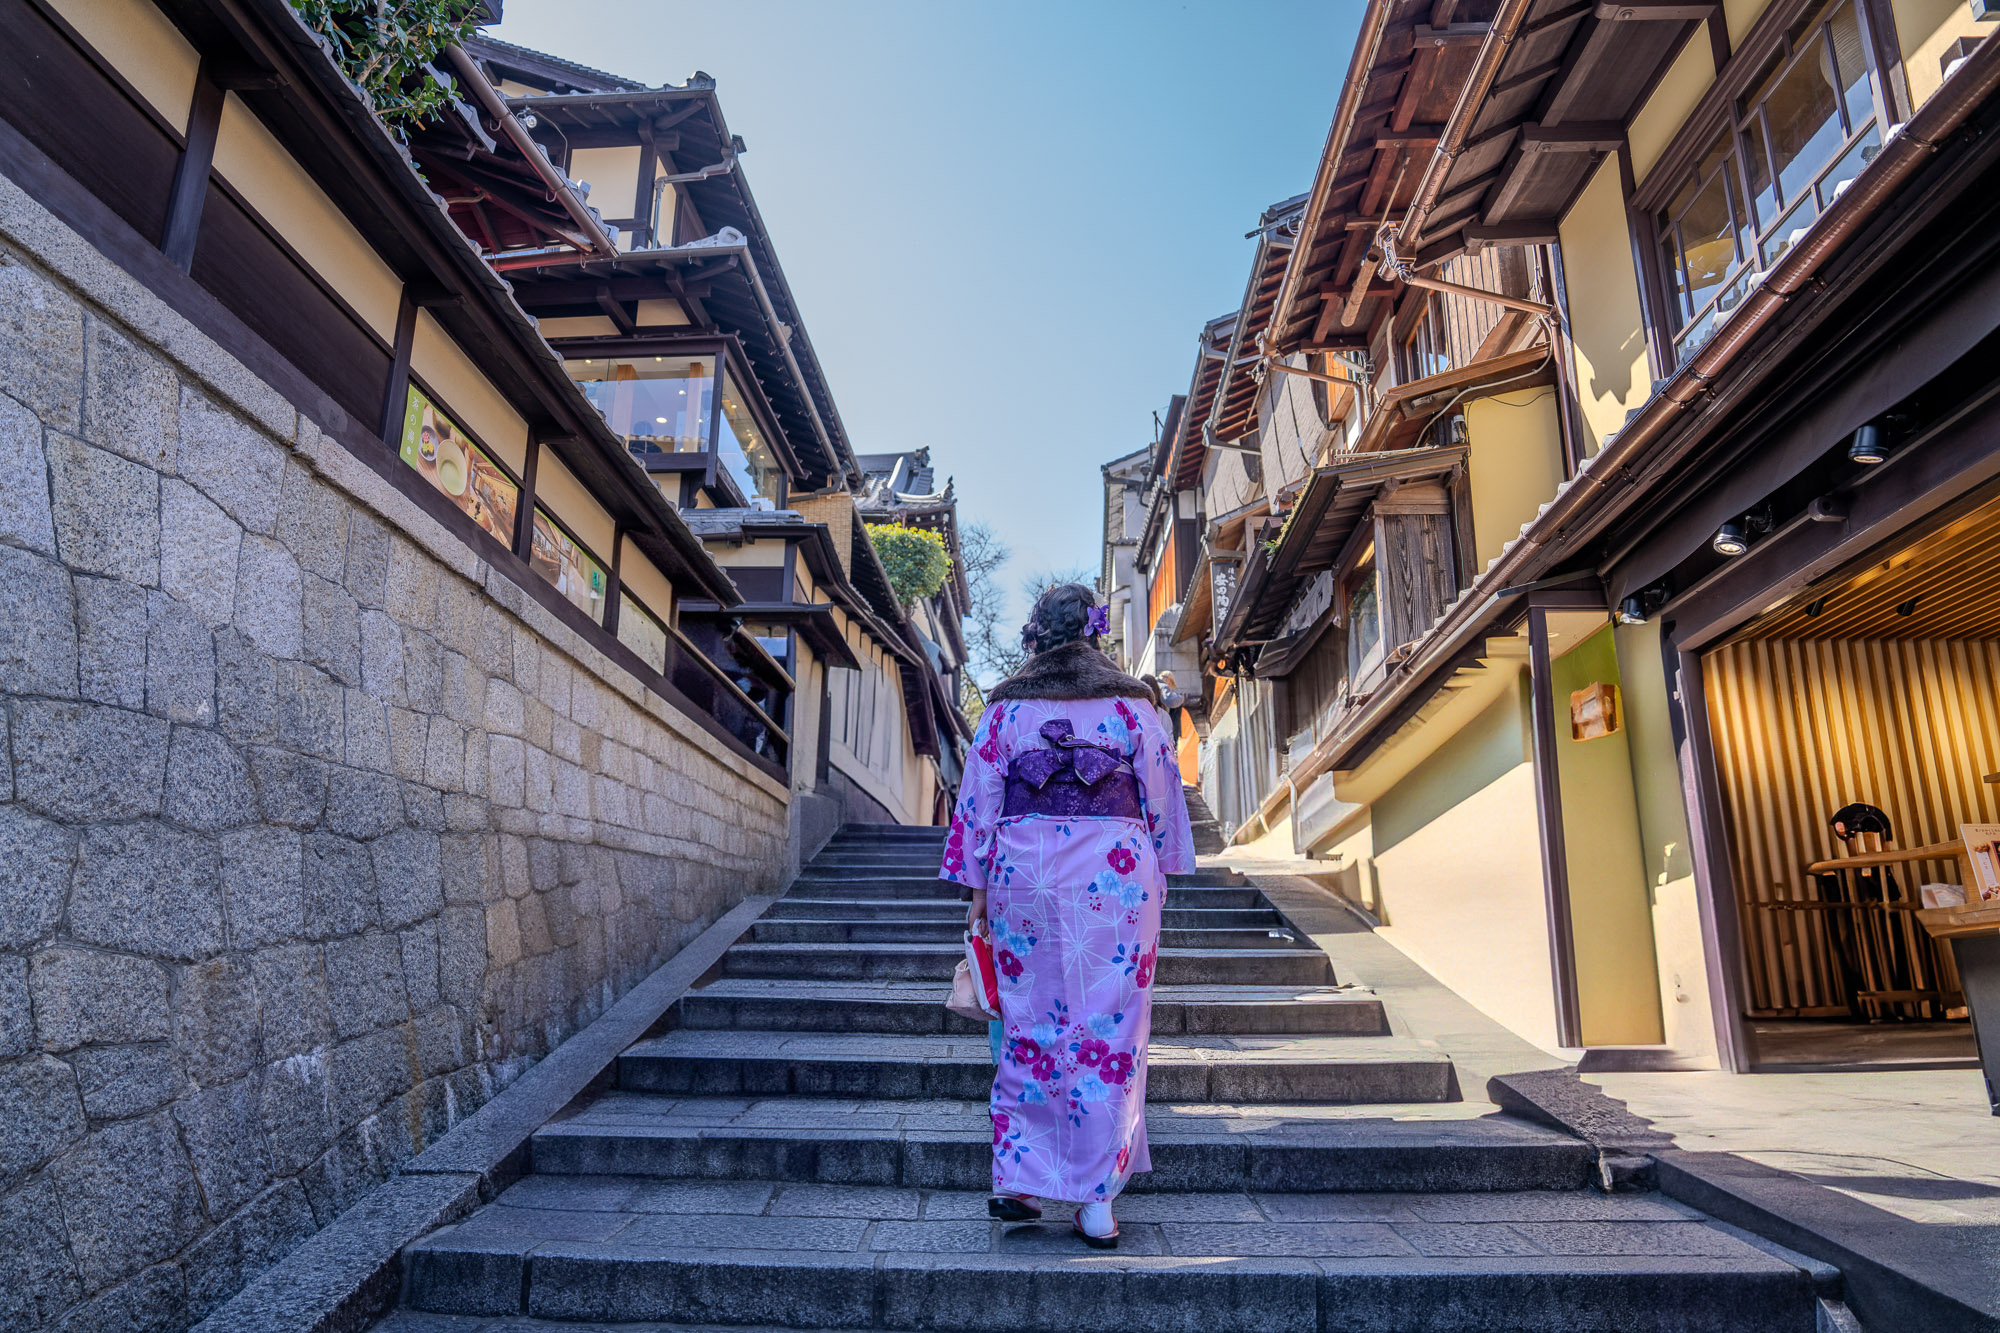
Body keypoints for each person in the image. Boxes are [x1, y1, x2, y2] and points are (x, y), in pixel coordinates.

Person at [940, 584, 1195, 1248]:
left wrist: (978, 893)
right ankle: (1095, 1199)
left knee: (1031, 1027)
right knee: (1110, 1033)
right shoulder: (1134, 707)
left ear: (1036, 635)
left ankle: (1021, 1180)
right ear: (1095, 634)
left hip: (1027, 875)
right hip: (1115, 877)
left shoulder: (1006, 710)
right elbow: (1161, 793)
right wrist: (1162, 866)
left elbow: (979, 803)